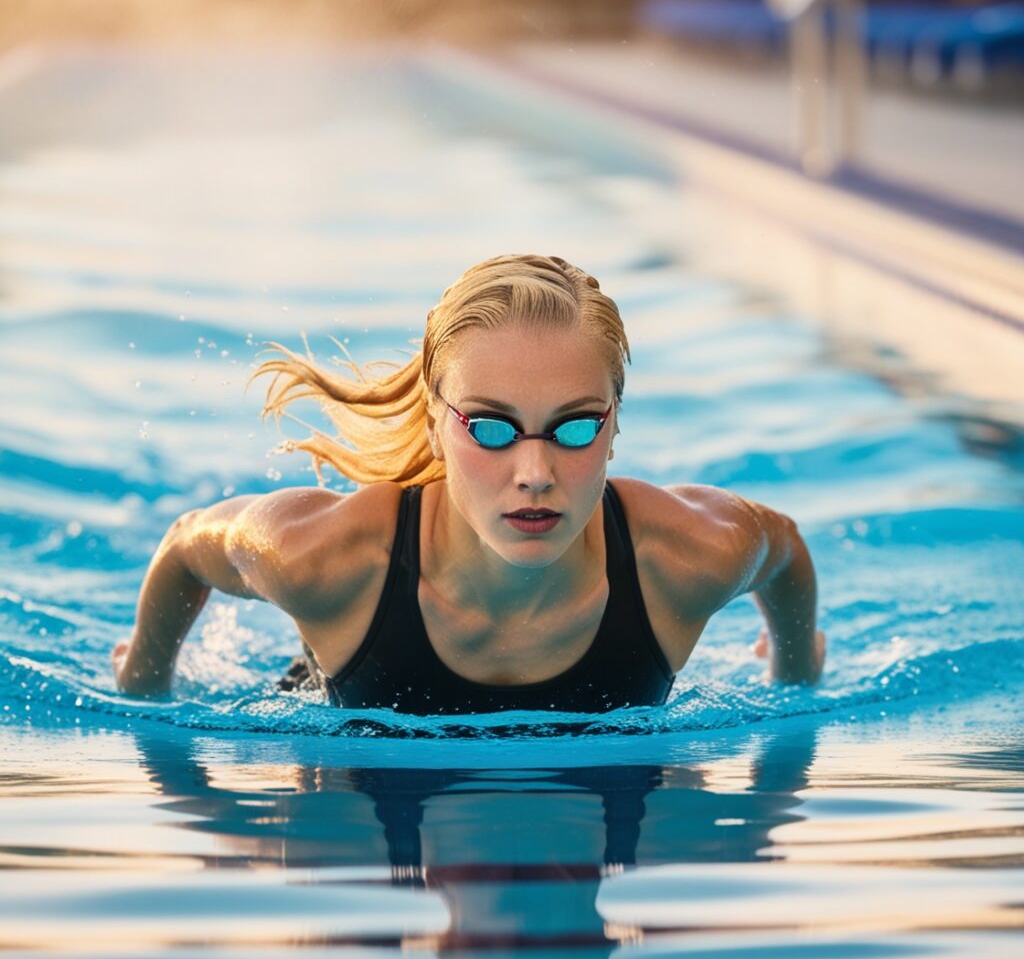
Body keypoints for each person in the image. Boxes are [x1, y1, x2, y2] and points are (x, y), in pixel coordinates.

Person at [112, 254, 825, 715]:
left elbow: (784, 550)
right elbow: (185, 547)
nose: (536, 474)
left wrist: (793, 671)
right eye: (490, 428)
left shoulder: (683, 558)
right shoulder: (327, 561)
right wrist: (144, 681)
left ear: (615, 425)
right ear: (433, 423)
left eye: (575, 428)